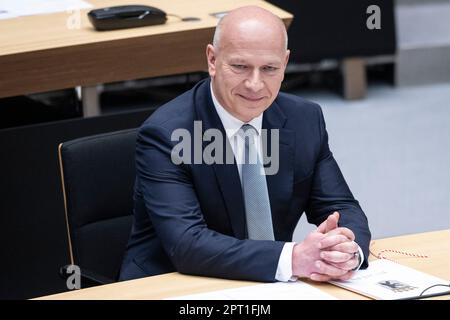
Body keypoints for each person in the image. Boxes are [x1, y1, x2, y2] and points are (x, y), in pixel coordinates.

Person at [119, 6, 371, 283]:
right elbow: (187, 244)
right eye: (240, 67)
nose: (254, 84)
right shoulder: (167, 134)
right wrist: (293, 258)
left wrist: (347, 250)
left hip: (270, 282)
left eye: (269, 69)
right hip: (174, 282)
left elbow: (341, 206)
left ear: (285, 64)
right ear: (212, 60)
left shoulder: (305, 119)